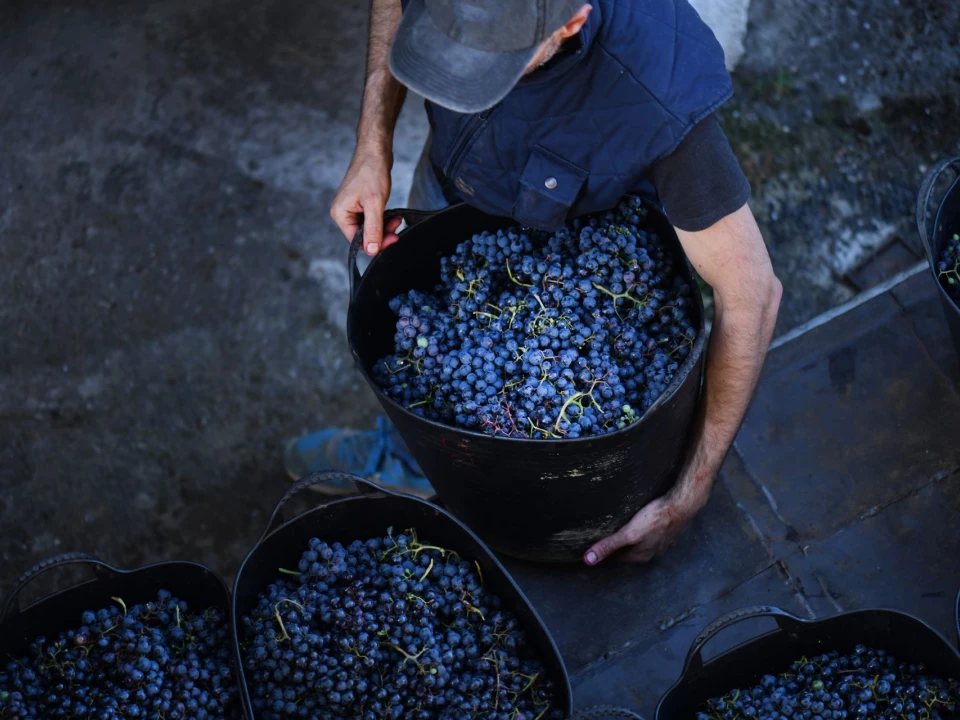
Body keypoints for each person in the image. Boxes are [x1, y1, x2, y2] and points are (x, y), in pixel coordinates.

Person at [287, 0, 783, 565]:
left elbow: (753, 295)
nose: (456, 75)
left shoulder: (656, 93)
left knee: (542, 465)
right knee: (430, 371)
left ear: (571, 21)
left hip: (582, 263)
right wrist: (372, 144)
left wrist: (690, 493)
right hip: (453, 194)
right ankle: (407, 458)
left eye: (491, 62)